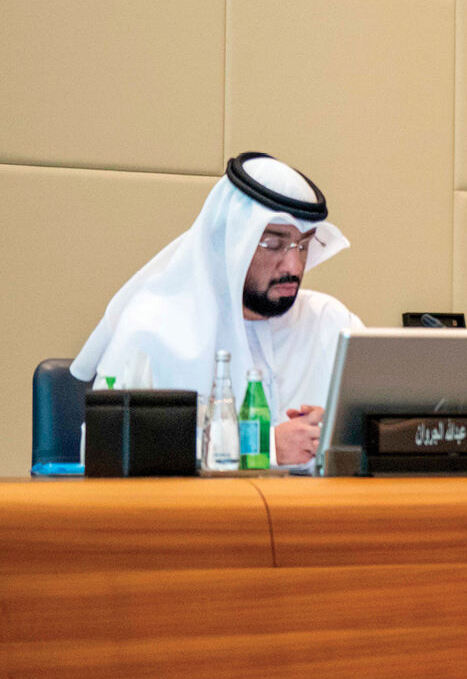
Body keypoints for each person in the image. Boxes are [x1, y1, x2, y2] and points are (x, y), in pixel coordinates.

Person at [71, 153, 363, 466]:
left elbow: (397, 429)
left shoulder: (330, 321)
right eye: (273, 245)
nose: (293, 266)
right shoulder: (154, 327)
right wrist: (265, 448)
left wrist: (344, 432)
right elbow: (104, 449)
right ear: (231, 241)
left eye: (303, 245)